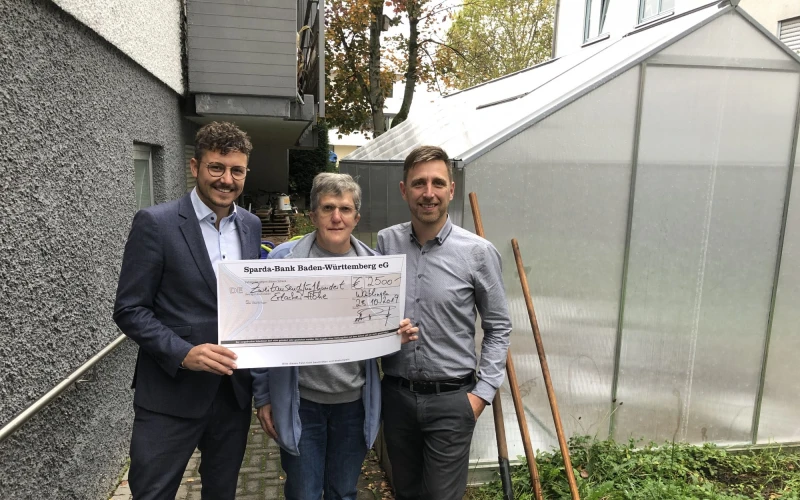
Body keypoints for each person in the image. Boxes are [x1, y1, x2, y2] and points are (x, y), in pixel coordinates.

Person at [113, 122, 261, 499]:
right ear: (195, 167)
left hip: (232, 396)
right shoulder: (156, 224)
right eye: (217, 167)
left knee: (222, 492)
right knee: (152, 493)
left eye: (236, 170)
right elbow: (130, 309)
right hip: (169, 395)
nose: (226, 179)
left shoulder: (250, 226)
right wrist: (184, 353)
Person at [252, 172, 418, 500]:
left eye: (345, 208)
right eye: (327, 208)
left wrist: (394, 335)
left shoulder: (376, 267)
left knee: (343, 492)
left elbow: (382, 335)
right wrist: (263, 397)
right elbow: (261, 335)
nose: (336, 217)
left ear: (357, 217)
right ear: (312, 214)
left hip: (353, 404)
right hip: (301, 401)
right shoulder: (282, 261)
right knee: (304, 493)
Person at [377, 145, 512, 500]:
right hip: (396, 396)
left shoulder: (477, 252)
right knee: (404, 491)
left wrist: (481, 395)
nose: (429, 193)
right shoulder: (386, 243)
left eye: (438, 183)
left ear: (451, 190)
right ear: (405, 190)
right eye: (419, 183)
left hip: (452, 401)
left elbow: (498, 327)